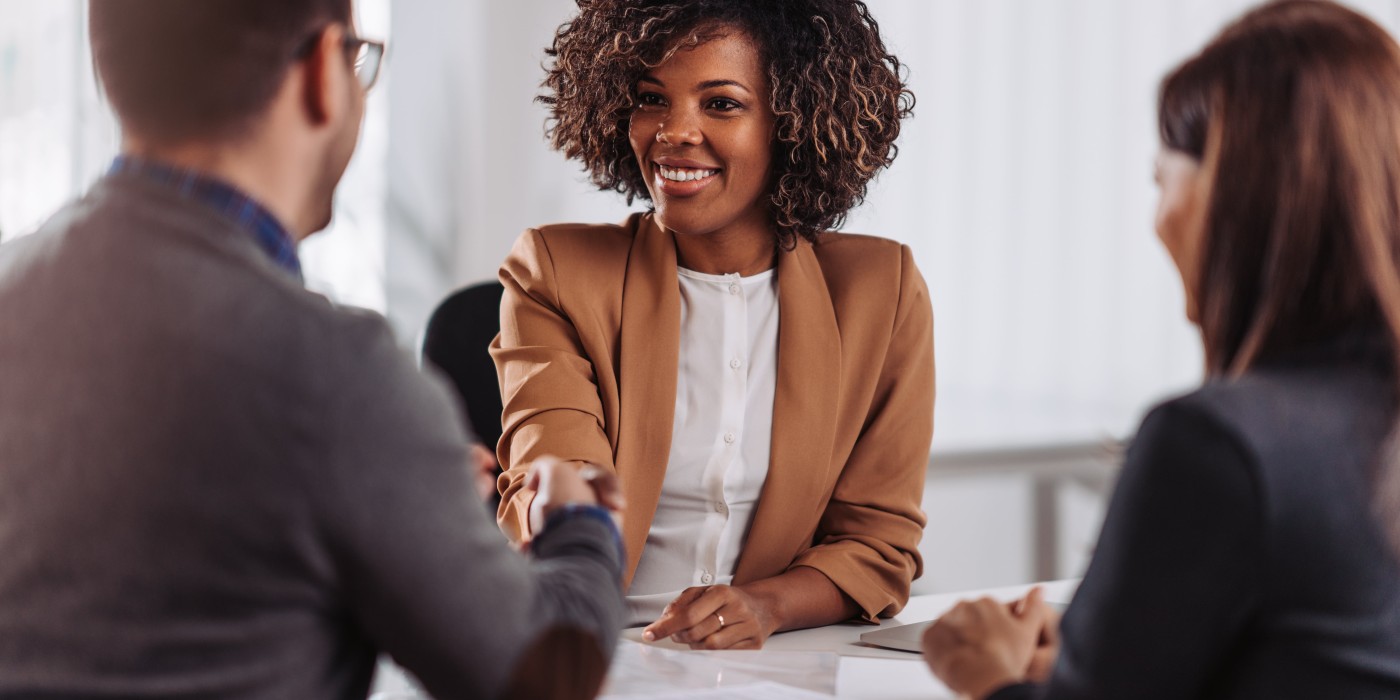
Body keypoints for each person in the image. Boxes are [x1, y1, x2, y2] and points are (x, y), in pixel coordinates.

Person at [0, 1, 625, 698]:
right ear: (326, 70)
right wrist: (579, 522)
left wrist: (406, 481)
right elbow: (545, 674)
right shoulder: (336, 373)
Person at [922, 1, 1400, 698]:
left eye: (1161, 178)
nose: (1156, 218)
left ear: (1230, 193)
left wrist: (987, 671)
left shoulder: (1217, 445)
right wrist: (1106, 651)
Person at [493, 0, 933, 650]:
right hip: (591, 655)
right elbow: (550, 463)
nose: (673, 132)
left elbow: (877, 546)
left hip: (776, 666)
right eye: (651, 99)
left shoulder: (879, 293)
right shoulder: (557, 273)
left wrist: (764, 606)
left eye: (720, 103)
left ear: (791, 120)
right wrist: (552, 498)